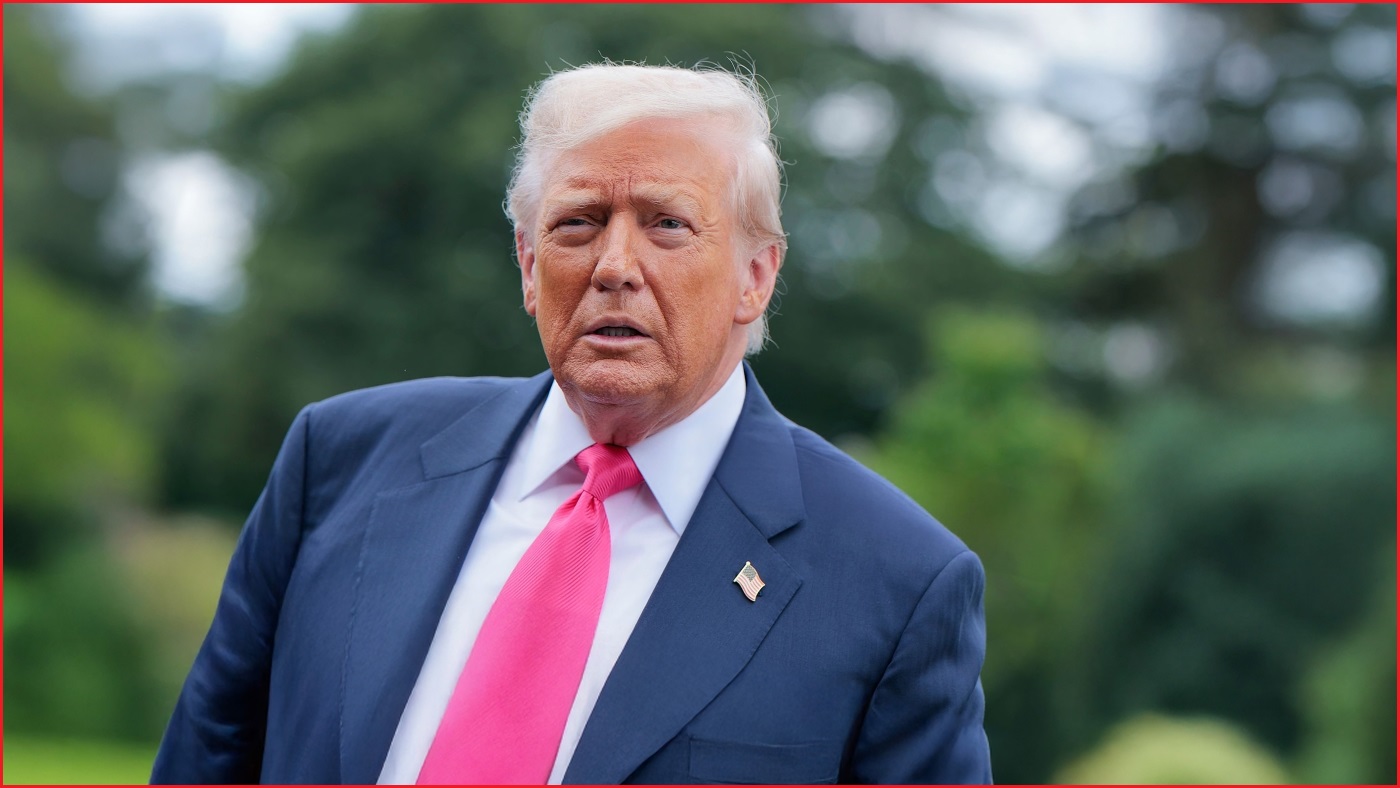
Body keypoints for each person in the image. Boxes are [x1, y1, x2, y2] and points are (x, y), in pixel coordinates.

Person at [151, 62, 991, 785]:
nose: (615, 266)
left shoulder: (895, 583)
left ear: (756, 276)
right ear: (526, 264)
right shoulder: (339, 462)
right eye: (577, 223)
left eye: (667, 224)